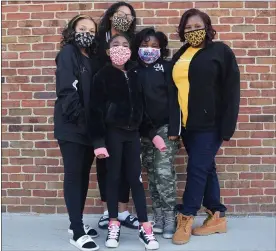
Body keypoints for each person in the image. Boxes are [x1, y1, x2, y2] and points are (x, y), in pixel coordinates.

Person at [171, 9, 240, 245]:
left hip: (211, 125)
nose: (193, 31)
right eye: (188, 28)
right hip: (188, 126)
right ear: (182, 31)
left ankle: (186, 216)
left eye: (197, 26)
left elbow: (232, 90)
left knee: (197, 169)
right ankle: (216, 214)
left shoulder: (220, 51)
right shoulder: (180, 54)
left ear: (207, 27)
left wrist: (228, 126)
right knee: (206, 168)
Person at [91, 33, 166, 249]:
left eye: (125, 45)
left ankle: (145, 227)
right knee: (113, 178)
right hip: (113, 136)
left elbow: (142, 111)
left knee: (136, 180)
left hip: (133, 136)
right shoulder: (102, 76)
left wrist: (153, 135)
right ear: (108, 51)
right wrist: (98, 142)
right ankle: (114, 223)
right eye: (115, 45)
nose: (121, 48)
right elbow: (95, 112)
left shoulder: (135, 75)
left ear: (130, 51)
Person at [54, 14, 101, 251]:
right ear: (72, 30)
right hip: (72, 127)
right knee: (74, 176)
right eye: (83, 28)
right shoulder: (68, 53)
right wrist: (82, 121)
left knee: (83, 176)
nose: (87, 33)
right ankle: (76, 231)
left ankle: (77, 224)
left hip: (89, 128)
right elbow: (66, 90)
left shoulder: (91, 57)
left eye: (92, 31)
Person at [95, 1, 139, 229]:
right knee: (105, 166)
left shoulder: (132, 43)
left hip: (127, 119)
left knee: (125, 167)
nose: (124, 18)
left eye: (128, 16)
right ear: (111, 16)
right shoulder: (98, 41)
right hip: (104, 115)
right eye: (120, 14)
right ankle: (107, 210)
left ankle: (122, 211)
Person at [133, 28, 180, 239]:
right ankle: (159, 214)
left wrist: (174, 129)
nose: (149, 50)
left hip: (165, 128)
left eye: (154, 46)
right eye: (145, 45)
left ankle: (170, 215)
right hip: (144, 130)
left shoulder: (167, 68)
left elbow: (175, 99)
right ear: (138, 47)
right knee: (151, 174)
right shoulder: (133, 70)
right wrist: (147, 132)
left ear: (161, 49)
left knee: (164, 173)